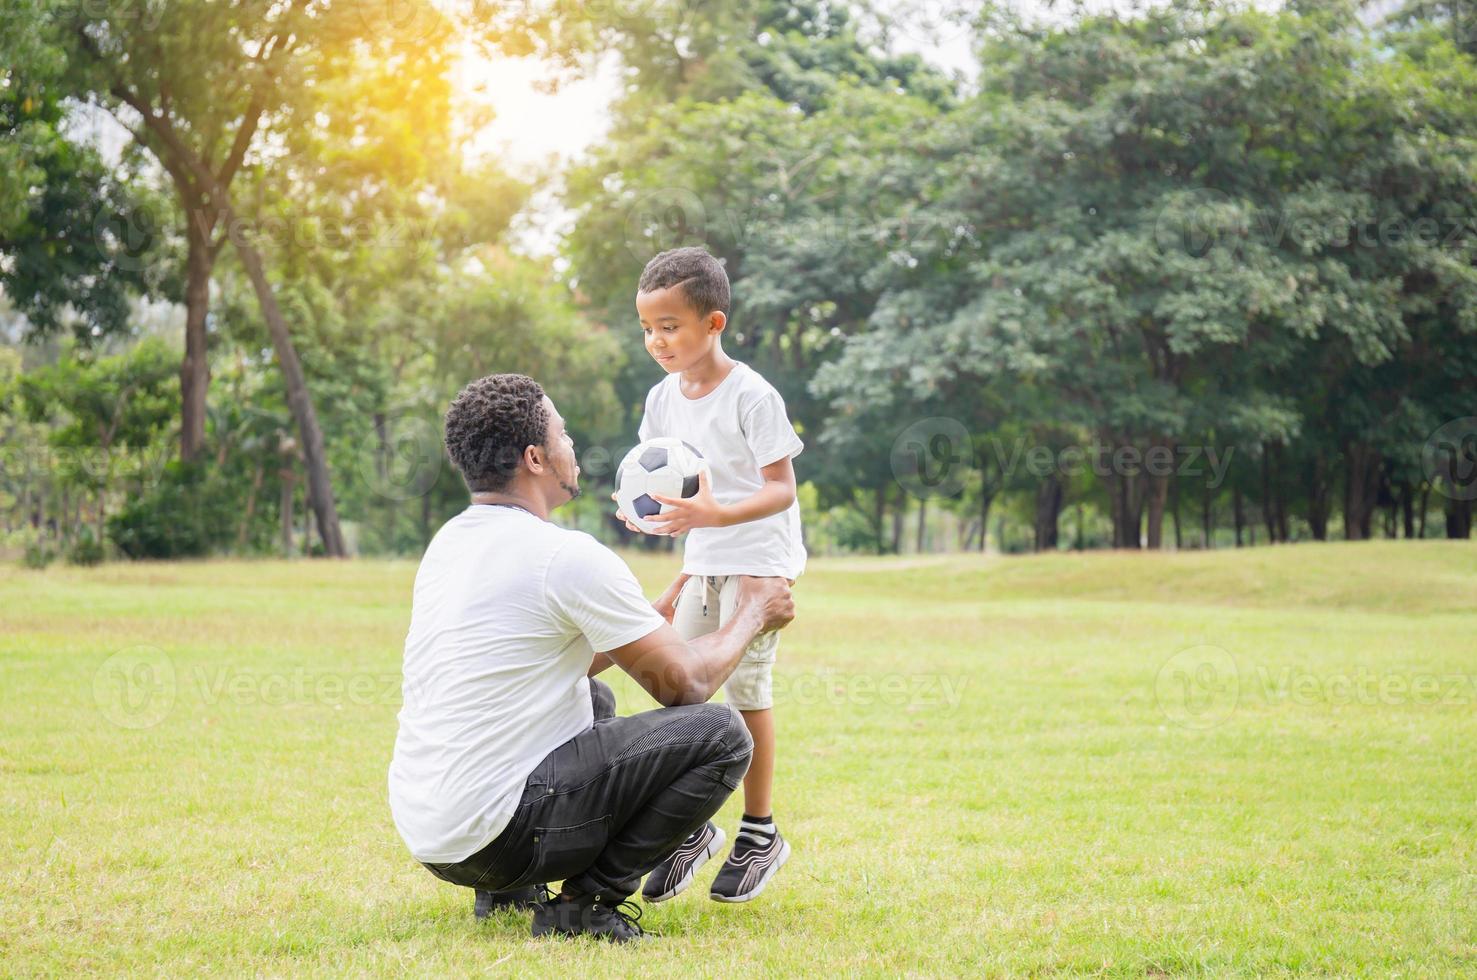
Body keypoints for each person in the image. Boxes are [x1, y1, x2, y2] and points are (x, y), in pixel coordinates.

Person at [388, 373, 795, 943]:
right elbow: (686, 686)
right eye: (562, 432)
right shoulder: (565, 554)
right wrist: (752, 614)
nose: (571, 445)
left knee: (593, 696)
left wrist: (636, 623)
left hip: (435, 838)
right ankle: (585, 906)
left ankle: (506, 891)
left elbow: (531, 666)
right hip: (501, 834)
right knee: (721, 733)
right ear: (535, 457)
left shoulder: (450, 543)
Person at [614, 246, 805, 904]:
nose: (656, 341)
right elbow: (662, 478)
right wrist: (660, 534)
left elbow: (780, 488)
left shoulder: (751, 395)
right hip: (706, 562)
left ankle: (759, 830)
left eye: (670, 326)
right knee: (680, 690)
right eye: (647, 328)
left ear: (713, 324)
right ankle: (691, 828)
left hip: (758, 566)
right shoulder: (661, 399)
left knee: (746, 692)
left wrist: (718, 515)